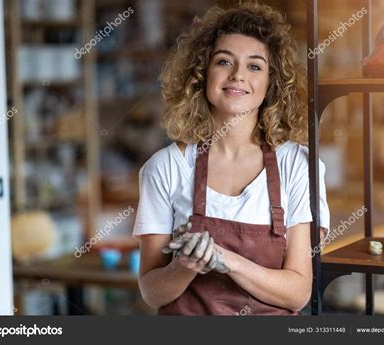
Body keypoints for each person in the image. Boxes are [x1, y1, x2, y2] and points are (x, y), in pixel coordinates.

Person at [132, 3, 330, 315]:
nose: (238, 75)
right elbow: (152, 294)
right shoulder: (165, 168)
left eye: (254, 66)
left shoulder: (297, 166)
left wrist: (228, 261)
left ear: (271, 83)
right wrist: (185, 264)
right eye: (224, 61)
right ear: (201, 74)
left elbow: (298, 293)